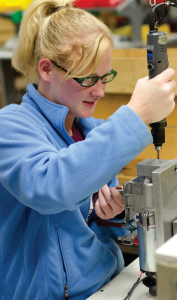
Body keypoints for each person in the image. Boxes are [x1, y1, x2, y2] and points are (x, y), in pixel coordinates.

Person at [0, 0, 176, 299]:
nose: (100, 90)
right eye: (88, 79)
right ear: (46, 69)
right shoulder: (10, 126)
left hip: (107, 284)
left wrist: (113, 215)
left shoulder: (90, 130)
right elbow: (51, 188)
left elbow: (99, 230)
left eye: (105, 77)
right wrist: (135, 114)